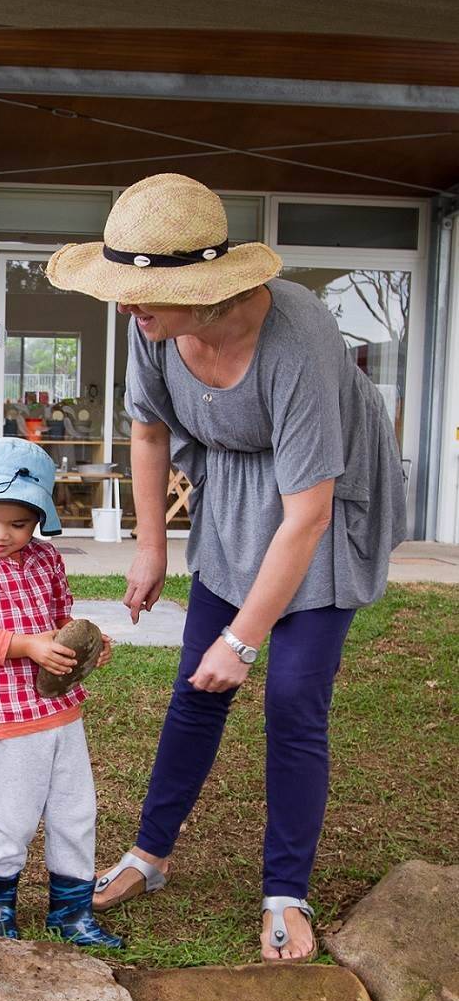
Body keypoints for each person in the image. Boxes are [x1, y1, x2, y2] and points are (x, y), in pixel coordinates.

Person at [46, 172, 406, 961]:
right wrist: (149, 549)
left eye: (141, 295)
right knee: (191, 688)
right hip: (235, 498)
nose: (126, 310)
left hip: (319, 503)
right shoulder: (148, 326)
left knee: (290, 699)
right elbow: (146, 433)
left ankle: (285, 890)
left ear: (202, 289)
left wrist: (243, 639)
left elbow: (306, 513)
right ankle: (150, 853)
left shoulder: (297, 342)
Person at [0, 437, 121, 949]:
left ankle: (71, 912)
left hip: (61, 709)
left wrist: (87, 642)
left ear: (38, 519)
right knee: (10, 816)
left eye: (17, 523)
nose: (0, 533)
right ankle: (0, 907)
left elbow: (60, 622)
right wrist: (27, 647)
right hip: (5, 712)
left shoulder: (46, 560)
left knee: (75, 812)